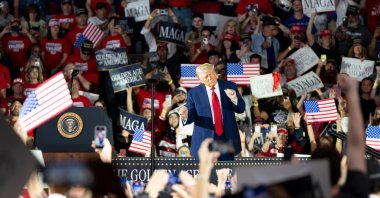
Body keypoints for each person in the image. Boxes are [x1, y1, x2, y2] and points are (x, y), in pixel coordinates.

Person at [179, 63, 245, 160]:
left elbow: (241, 108)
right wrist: (185, 115)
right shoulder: (194, 93)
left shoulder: (229, 86)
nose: (210, 78)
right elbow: (191, 114)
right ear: (200, 80)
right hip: (204, 138)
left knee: (225, 170)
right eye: (206, 77)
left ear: (215, 73)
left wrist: (234, 99)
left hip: (225, 136)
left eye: (211, 74)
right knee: (207, 172)